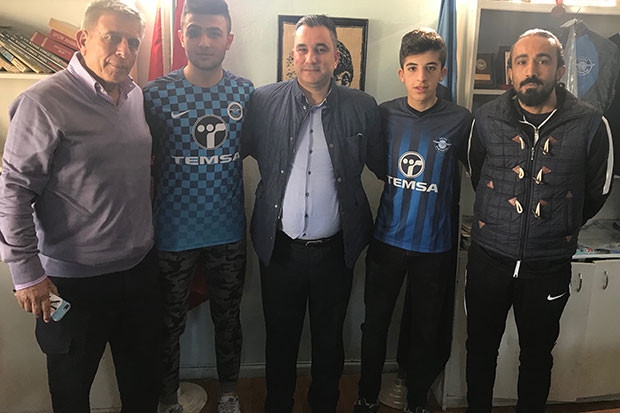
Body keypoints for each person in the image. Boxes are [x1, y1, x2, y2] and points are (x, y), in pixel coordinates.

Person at [0, 1, 161, 412]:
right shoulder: (43, 102)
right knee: (71, 393)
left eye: (133, 42)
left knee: (143, 388)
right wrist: (26, 274)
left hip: (139, 273)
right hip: (72, 283)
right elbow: (14, 190)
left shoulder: (135, 96)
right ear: (83, 38)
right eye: (112, 38)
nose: (124, 50)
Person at [243, 14, 384, 413]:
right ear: (293, 55)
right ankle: (278, 405)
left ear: (336, 56)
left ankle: (325, 404)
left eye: (321, 48)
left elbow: (385, 166)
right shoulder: (263, 102)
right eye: (303, 49)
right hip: (279, 250)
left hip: (335, 252)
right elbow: (232, 154)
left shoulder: (363, 107)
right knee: (280, 340)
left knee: (329, 341)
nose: (311, 58)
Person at [466, 28, 613, 412]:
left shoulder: (591, 123)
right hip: (488, 260)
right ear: (511, 71)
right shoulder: (485, 119)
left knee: (537, 355)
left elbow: (597, 191)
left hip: (548, 265)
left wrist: (559, 221)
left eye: (542, 60)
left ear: (560, 69)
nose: (531, 70)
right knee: (479, 349)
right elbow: (476, 173)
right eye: (522, 61)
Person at [354, 28, 472, 413]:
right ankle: (366, 396)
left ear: (442, 72)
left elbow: (479, 169)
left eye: (431, 68)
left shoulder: (460, 120)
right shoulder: (384, 114)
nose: (422, 77)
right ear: (401, 73)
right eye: (413, 68)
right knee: (375, 326)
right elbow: (377, 164)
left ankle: (417, 401)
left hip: (435, 248)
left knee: (425, 331)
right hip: (387, 241)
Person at [143, 0, 253, 412]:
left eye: (213, 32)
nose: (204, 41)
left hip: (228, 231)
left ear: (228, 39)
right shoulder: (155, 95)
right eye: (194, 31)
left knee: (228, 319)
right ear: (181, 36)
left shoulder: (245, 92)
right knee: (166, 324)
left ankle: (229, 395)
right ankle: (167, 400)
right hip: (172, 233)